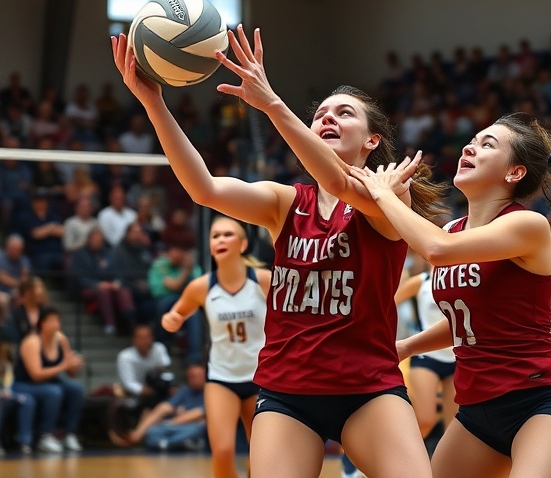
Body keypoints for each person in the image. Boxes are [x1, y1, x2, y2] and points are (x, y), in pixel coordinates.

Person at [112, 25, 443, 478]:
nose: (328, 117)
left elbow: (339, 182)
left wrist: (271, 102)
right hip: (288, 392)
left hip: (368, 388)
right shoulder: (285, 202)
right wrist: (153, 102)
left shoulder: (388, 196)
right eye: (321, 113)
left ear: (371, 141)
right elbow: (203, 188)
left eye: (344, 113)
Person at [350, 111, 551, 477]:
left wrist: (385, 195)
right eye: (473, 140)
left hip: (541, 401)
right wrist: (407, 346)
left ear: (514, 173)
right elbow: (469, 320)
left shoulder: (525, 224)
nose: (470, 146)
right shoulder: (454, 229)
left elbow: (435, 248)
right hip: (477, 411)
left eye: (488, 144)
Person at [161, 216, 270, 478]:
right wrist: (171, 320)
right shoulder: (201, 287)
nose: (220, 240)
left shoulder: (264, 280)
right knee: (221, 452)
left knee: (261, 456)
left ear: (243, 245)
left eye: (227, 235)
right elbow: (171, 318)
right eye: (215, 236)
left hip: (261, 378)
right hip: (222, 377)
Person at [393, 263, 458, 441]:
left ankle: (444, 468)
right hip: (425, 356)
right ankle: (399, 458)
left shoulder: (460, 278)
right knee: (424, 420)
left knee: (454, 428)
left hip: (456, 358)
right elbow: (389, 301)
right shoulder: (421, 282)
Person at [11, 308, 85, 453]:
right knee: (54, 392)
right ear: (43, 324)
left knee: (76, 389)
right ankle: (45, 436)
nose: (57, 324)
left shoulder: (61, 339)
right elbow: (36, 375)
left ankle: (69, 434)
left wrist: (74, 365)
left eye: (58, 321)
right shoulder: (32, 342)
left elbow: (71, 373)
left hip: (49, 382)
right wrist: (63, 365)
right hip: (24, 384)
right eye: (53, 321)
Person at [125, 362, 208, 450]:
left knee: (197, 429)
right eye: (191, 376)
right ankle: (172, 444)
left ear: (205, 376)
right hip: (174, 426)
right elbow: (164, 407)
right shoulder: (185, 390)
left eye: (198, 376)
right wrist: (139, 433)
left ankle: (166, 443)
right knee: (153, 431)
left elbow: (199, 413)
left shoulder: (210, 392)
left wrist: (173, 421)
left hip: (191, 427)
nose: (194, 379)